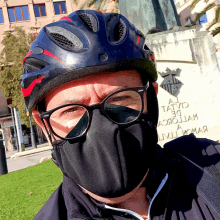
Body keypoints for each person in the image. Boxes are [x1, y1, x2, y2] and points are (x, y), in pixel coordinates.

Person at [21, 10, 220, 220]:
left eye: (119, 98)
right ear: (43, 125)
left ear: (151, 99)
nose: (102, 128)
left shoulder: (210, 169)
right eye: (71, 109)